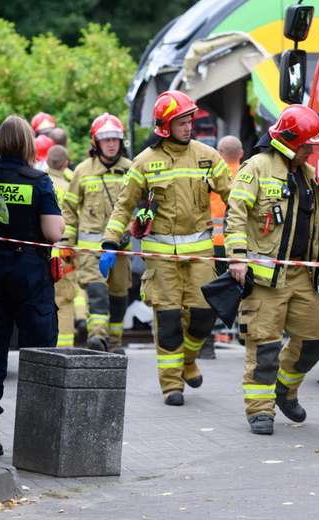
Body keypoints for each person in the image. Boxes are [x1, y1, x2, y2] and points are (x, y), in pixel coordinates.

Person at [101, 91, 231, 405]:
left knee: (203, 315)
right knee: (169, 319)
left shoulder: (207, 156)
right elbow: (124, 205)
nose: (189, 127)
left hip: (199, 253)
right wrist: (110, 239)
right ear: (165, 126)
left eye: (189, 120)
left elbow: (235, 198)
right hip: (161, 259)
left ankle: (188, 361)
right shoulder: (144, 163)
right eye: (181, 122)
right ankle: (171, 385)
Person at [225, 105, 319, 435]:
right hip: (265, 274)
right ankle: (260, 411)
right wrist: (237, 257)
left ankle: (284, 389)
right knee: (264, 346)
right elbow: (236, 213)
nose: (310, 153)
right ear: (290, 143)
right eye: (306, 146)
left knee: (316, 336)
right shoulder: (255, 167)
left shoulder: (307, 175)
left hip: (299, 275)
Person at [0, 115, 64, 459]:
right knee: (38, 353)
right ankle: (35, 440)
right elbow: (54, 232)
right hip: (28, 272)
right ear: (27, 144)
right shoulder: (38, 181)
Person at [61, 113, 133, 353]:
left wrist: (133, 228)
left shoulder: (131, 170)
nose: (111, 143)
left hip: (121, 249)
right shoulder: (82, 171)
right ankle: (97, 337)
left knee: (119, 295)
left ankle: (114, 342)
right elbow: (69, 209)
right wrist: (66, 243)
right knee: (97, 291)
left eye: (115, 139)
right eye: (106, 139)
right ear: (96, 142)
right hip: (91, 250)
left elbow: (143, 206)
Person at [47, 145, 77, 348]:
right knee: (65, 300)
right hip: (65, 251)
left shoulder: (41, 183)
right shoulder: (69, 187)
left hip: (43, 250)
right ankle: (64, 347)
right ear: (65, 164)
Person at [213, 135, 244, 273]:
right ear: (241, 153)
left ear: (219, 153)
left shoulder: (212, 175)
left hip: (212, 241)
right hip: (240, 244)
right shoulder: (248, 175)